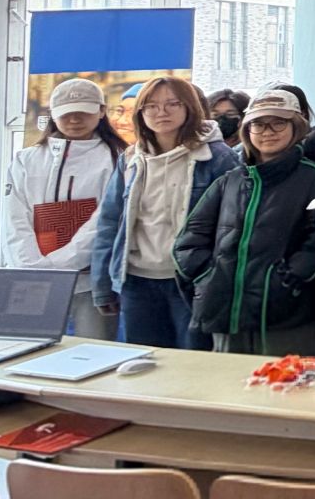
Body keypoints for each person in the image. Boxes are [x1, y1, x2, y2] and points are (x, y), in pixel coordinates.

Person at [175, 91, 315, 355]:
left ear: (296, 127)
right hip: (226, 314)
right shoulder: (230, 180)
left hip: (284, 317)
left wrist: (287, 280)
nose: (268, 132)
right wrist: (209, 278)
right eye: (258, 124)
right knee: (228, 379)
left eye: (278, 123)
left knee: (287, 379)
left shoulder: (314, 177)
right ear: (247, 130)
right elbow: (188, 240)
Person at [89, 76, 238, 348]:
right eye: (152, 106)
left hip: (190, 281)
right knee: (145, 361)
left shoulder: (217, 157)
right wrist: (102, 285)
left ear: (189, 107)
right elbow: (110, 222)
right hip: (137, 281)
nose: (162, 112)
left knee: (192, 363)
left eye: (172, 104)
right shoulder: (130, 158)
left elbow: (232, 225)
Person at [1, 78, 125, 340]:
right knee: (31, 348)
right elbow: (15, 217)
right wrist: (32, 265)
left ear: (101, 111)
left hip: (91, 280)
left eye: (84, 112)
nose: (75, 119)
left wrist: (62, 263)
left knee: (94, 349)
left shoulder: (118, 158)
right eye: (66, 113)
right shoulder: (26, 159)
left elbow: (106, 219)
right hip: (32, 277)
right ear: (53, 114)